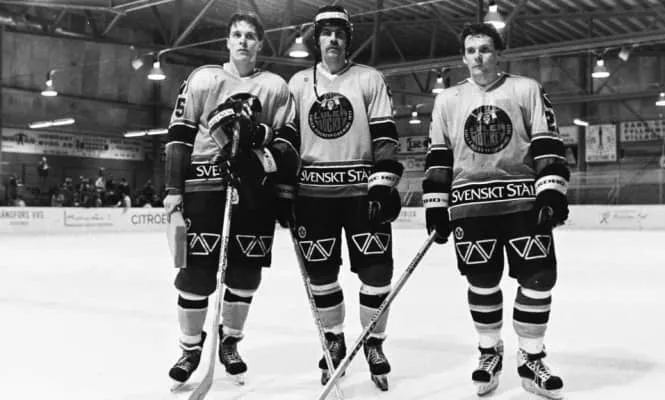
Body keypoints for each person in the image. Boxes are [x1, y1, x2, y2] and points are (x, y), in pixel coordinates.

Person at [423, 23, 569, 399]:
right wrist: (436, 204)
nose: (478, 57)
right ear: (463, 57)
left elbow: (547, 142)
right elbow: (438, 154)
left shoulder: (526, 89)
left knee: (539, 278)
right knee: (482, 281)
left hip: (522, 202)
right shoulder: (448, 100)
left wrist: (551, 191)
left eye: (485, 49)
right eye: (471, 50)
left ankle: (531, 358)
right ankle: (489, 353)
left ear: (498, 52)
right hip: (471, 206)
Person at [163, 12, 299, 387]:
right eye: (236, 35)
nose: (243, 41)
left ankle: (230, 342)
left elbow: (289, 144)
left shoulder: (275, 87)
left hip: (254, 190)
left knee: (245, 271)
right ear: (227, 41)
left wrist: (264, 158)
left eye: (250, 36)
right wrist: (173, 190)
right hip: (203, 187)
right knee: (195, 272)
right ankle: (190, 349)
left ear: (260, 44)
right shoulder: (203, 78)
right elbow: (179, 137)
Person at [288, 5, 403, 391]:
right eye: (326, 32)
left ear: (348, 39)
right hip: (312, 196)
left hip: (362, 194)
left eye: (339, 32)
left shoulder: (369, 78)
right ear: (316, 40)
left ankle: (373, 342)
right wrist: (283, 191)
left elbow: (385, 135)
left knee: (377, 273)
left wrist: (383, 183)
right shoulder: (298, 83)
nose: (333, 38)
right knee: (321, 275)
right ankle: (334, 339)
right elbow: (288, 143)